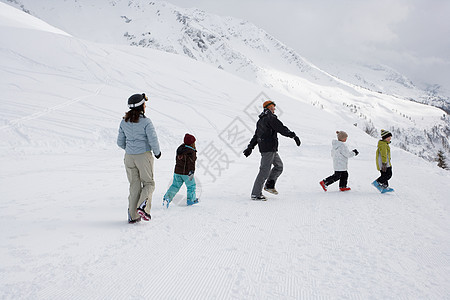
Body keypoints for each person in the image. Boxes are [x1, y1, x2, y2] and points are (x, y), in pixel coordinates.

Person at [243, 100, 301, 200]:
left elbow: (257, 135)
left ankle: (269, 185)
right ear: (269, 108)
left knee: (279, 166)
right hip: (268, 148)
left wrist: (250, 147)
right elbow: (281, 128)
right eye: (273, 107)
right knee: (264, 171)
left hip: (271, 148)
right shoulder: (270, 118)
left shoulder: (261, 120)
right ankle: (255, 194)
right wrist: (293, 135)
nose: (274, 109)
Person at [117, 93, 161, 223]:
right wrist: (157, 152)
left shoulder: (123, 121)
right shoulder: (146, 122)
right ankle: (143, 206)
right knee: (149, 183)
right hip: (143, 156)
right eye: (144, 104)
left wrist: (130, 149)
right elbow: (153, 139)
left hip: (129, 157)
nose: (145, 106)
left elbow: (120, 142)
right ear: (141, 106)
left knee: (134, 185)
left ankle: (133, 215)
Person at [163, 133, 198, 208]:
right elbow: (191, 164)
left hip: (177, 172)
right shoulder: (191, 152)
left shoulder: (180, 149)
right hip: (187, 173)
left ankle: (167, 198)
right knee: (191, 186)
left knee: (175, 186)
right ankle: (191, 200)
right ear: (192, 143)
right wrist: (191, 173)